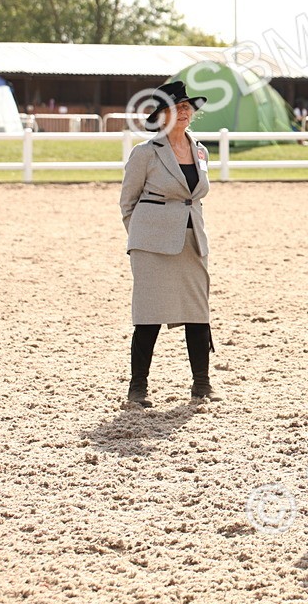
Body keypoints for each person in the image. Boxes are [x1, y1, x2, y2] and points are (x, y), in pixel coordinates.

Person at [119, 80, 220, 407]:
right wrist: (140, 240)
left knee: (198, 311)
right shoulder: (145, 154)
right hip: (152, 245)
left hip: (192, 240)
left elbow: (196, 197)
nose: (184, 112)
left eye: (187, 107)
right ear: (161, 115)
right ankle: (138, 389)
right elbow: (127, 203)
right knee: (149, 315)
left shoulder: (201, 151)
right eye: (176, 107)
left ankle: (202, 386)